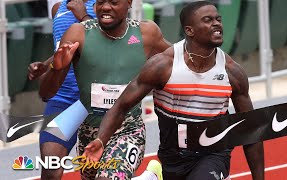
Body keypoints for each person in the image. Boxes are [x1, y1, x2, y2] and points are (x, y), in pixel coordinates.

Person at [84, 1, 265, 180]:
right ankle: (155, 175)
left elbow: (250, 130)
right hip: (172, 157)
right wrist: (101, 140)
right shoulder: (163, 66)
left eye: (218, 19)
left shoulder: (231, 72)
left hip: (213, 154)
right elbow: (121, 106)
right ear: (189, 30)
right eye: (208, 20)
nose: (216, 24)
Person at [39, 0, 171, 179]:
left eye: (114, 2)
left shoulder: (146, 33)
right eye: (101, 2)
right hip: (89, 131)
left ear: (129, 3)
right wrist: (56, 67)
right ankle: (149, 177)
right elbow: (46, 94)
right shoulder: (78, 32)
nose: (106, 7)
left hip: (127, 130)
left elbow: (178, 61)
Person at [28, 0, 96, 179]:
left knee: (95, 172)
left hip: (98, 99)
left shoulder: (107, 5)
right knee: (50, 167)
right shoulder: (57, 9)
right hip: (63, 100)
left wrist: (82, 15)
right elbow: (65, 47)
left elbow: (109, 44)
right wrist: (44, 65)